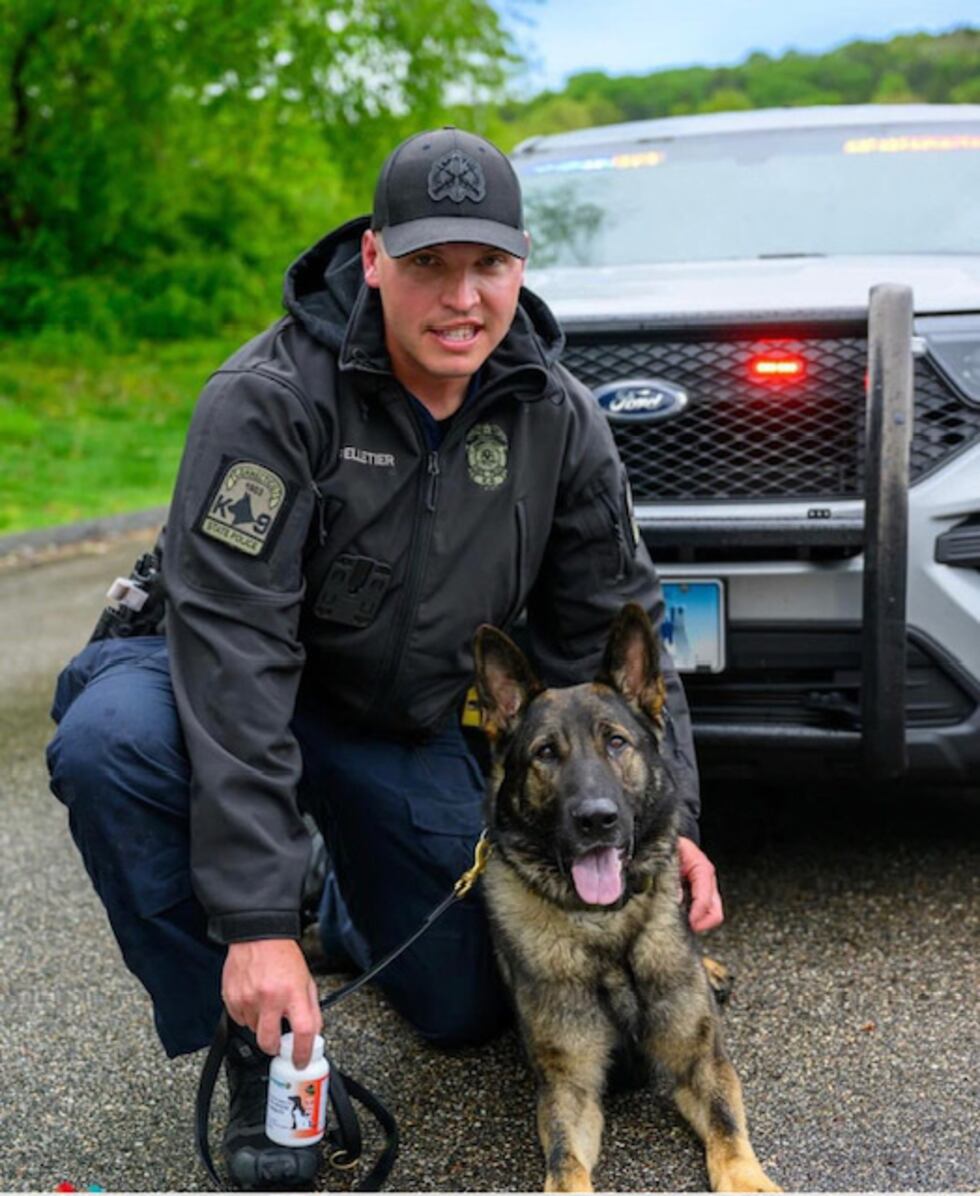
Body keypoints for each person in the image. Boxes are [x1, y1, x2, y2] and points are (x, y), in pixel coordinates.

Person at [46, 126, 722, 1189]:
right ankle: (262, 1053)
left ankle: (342, 898)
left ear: (520, 263)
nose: (462, 297)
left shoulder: (558, 418)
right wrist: (256, 924)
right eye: (428, 265)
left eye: (487, 264)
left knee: (463, 1004)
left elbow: (612, 634)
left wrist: (668, 819)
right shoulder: (266, 400)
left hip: (379, 714)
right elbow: (234, 662)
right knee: (110, 746)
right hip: (203, 680)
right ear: (371, 257)